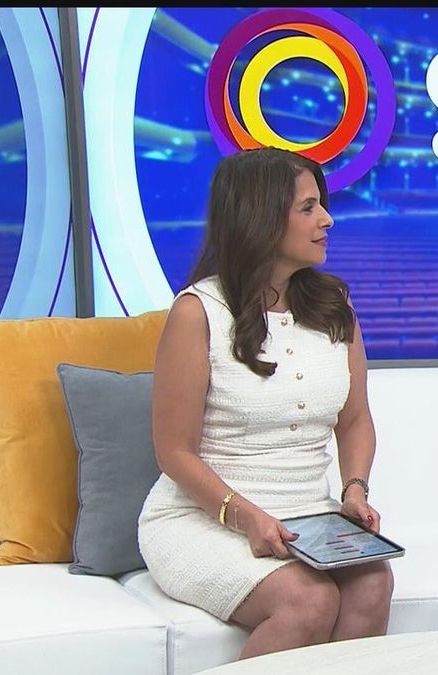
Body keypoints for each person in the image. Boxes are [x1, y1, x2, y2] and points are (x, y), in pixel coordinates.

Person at [138, 147, 393, 659]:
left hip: (308, 515)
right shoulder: (198, 312)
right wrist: (247, 517)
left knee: (372, 583)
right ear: (261, 219)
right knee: (309, 601)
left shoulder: (335, 308)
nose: (327, 219)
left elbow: (355, 420)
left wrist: (355, 490)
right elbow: (174, 453)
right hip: (204, 519)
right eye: (308, 208)